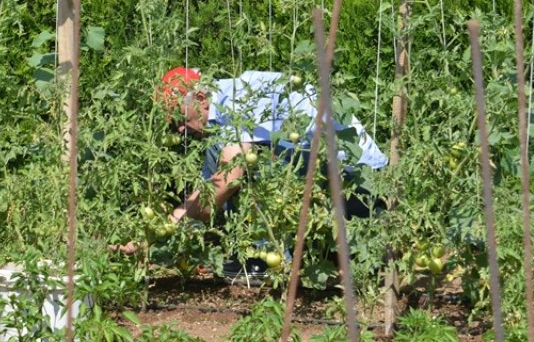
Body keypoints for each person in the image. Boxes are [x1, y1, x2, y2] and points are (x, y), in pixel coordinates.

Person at [154, 67, 388, 276]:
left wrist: (168, 229)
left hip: (357, 183)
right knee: (227, 154)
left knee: (251, 158)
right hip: (325, 178)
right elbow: (208, 194)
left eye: (180, 119)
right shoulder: (219, 122)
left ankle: (266, 256)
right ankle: (285, 252)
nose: (181, 130)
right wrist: (156, 236)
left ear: (201, 99)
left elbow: (227, 182)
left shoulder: (243, 94)